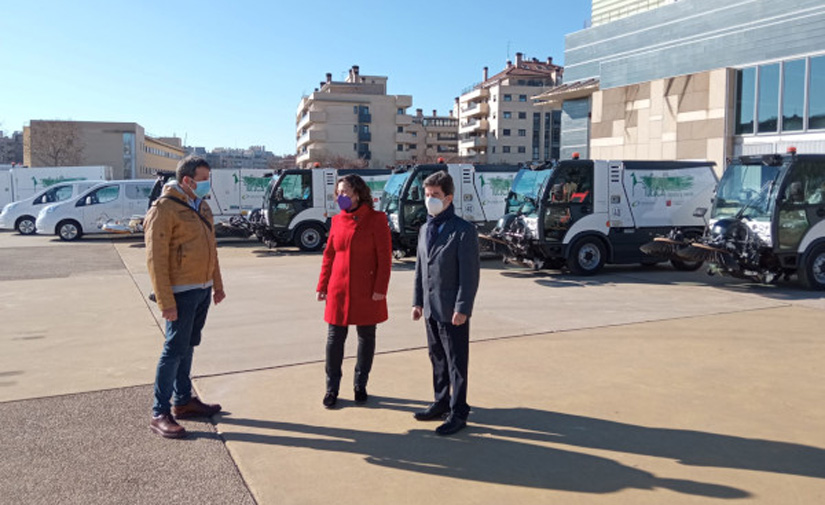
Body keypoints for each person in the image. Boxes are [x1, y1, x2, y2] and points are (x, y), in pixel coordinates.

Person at [145, 155, 226, 439]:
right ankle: (160, 412)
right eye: (203, 179)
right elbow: (155, 259)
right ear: (187, 180)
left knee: (189, 345)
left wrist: (217, 285)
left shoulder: (201, 206)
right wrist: (166, 301)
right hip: (180, 291)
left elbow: (211, 249)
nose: (207, 184)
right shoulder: (164, 209)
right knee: (173, 350)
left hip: (201, 289)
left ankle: (183, 401)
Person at [412, 170, 480, 436]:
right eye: (427, 195)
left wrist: (463, 308)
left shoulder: (463, 231)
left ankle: (458, 411)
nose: (430, 200)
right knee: (437, 357)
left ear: (449, 198)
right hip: (430, 307)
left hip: (452, 309)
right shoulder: (424, 228)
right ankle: (440, 402)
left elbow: (470, 274)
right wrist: (417, 301)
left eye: (436, 196)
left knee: (456, 362)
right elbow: (420, 268)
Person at [316, 174, 392, 408]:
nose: (341, 197)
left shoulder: (377, 219)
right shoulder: (337, 220)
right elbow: (329, 254)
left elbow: (384, 258)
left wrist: (380, 288)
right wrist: (323, 284)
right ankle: (332, 388)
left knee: (366, 337)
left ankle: (360, 384)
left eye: (346, 192)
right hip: (338, 288)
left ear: (358, 194)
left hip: (367, 289)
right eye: (339, 193)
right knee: (334, 339)